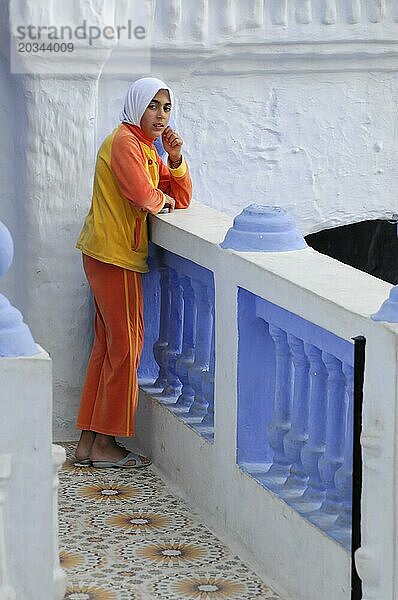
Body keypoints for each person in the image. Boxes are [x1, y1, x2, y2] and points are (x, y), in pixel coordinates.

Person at [74, 77, 192, 468]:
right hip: (115, 256)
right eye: (153, 106)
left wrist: (174, 160)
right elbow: (146, 196)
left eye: (166, 108)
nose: (160, 116)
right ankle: (106, 444)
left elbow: (181, 196)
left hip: (107, 254)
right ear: (137, 106)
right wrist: (164, 201)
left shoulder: (144, 146)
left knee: (108, 347)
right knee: (126, 347)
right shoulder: (126, 142)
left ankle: (89, 442)